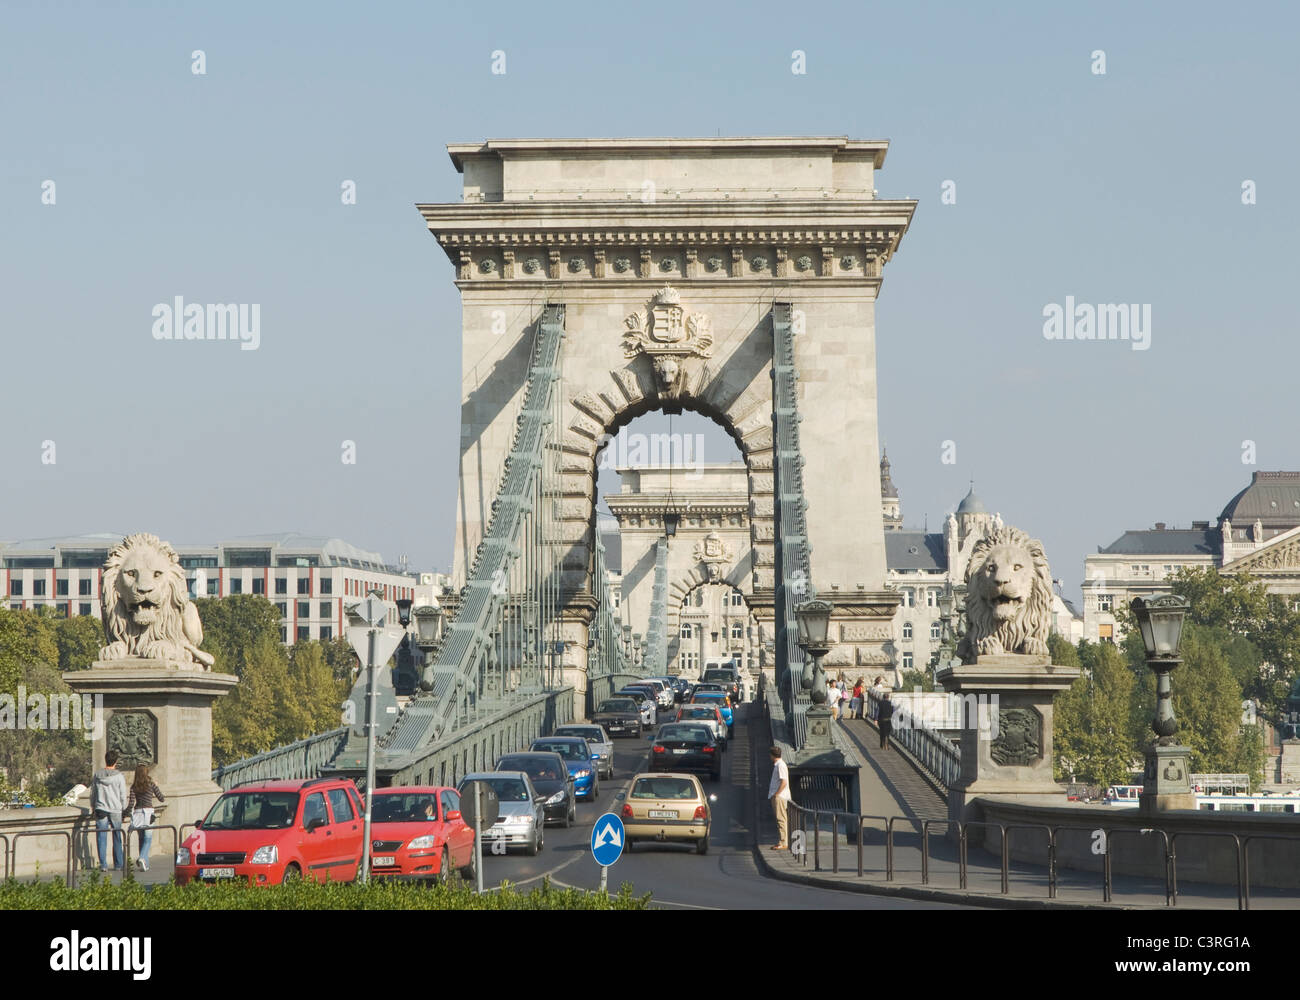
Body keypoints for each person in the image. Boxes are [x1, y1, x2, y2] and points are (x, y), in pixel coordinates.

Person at [91, 749, 128, 872]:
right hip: (115, 809)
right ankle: (118, 864)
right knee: (117, 836)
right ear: (116, 761)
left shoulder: (97, 775)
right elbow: (123, 794)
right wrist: (124, 808)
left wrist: (93, 806)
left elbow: (93, 793)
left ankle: (103, 864)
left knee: (101, 836)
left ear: (105, 760)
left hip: (101, 807)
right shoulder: (119, 776)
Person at [126, 763, 165, 871]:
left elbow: (131, 803)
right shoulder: (151, 784)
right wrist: (156, 786)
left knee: (141, 838)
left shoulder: (134, 787)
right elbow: (161, 798)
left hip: (138, 813)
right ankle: (142, 858)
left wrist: (125, 813)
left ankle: (145, 864)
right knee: (148, 839)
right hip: (148, 813)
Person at [768, 746, 791, 850]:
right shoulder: (779, 765)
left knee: (781, 819)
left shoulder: (780, 765)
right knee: (781, 819)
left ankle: (783, 842)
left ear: (772, 755)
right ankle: (782, 841)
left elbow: (784, 781)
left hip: (780, 797)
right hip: (779, 796)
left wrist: (777, 794)